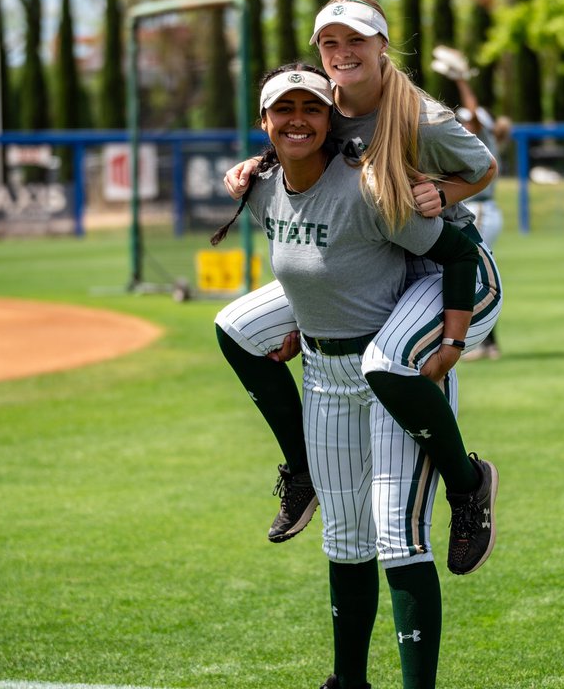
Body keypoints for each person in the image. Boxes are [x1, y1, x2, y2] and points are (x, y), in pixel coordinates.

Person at [216, 64, 487, 689]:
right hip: (323, 377)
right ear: (264, 124)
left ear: (329, 118)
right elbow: (314, 266)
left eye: (311, 108)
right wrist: (302, 320)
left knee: (399, 537)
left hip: (389, 375)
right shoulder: (258, 188)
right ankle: (348, 683)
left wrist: (450, 341)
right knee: (343, 538)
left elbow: (454, 252)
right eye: (283, 110)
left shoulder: (368, 188)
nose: (297, 120)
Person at [431, 45, 509, 360]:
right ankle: (486, 343)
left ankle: (481, 342)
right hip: (476, 210)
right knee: (466, 275)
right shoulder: (464, 142)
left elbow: (474, 113)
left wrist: (462, 80)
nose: (463, 124)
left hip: (480, 210)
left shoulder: (480, 137)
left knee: (471, 275)